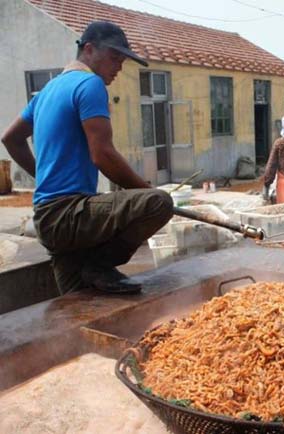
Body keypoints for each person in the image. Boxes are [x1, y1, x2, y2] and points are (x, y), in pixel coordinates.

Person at [0, 21, 173, 295]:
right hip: (69, 215)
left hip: (48, 221)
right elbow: (102, 154)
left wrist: (42, 176)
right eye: (115, 57)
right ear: (89, 49)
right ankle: (100, 264)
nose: (119, 66)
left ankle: (93, 269)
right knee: (158, 203)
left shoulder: (47, 90)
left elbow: (11, 138)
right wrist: (144, 190)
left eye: (123, 60)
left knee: (78, 306)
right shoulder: (90, 83)